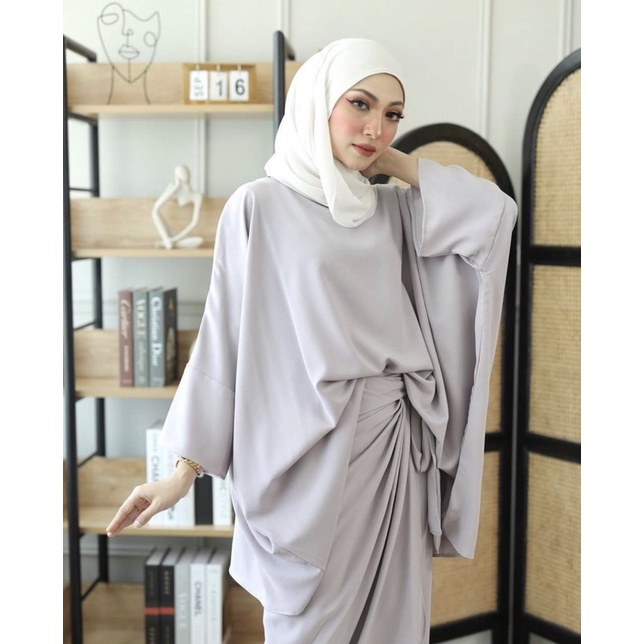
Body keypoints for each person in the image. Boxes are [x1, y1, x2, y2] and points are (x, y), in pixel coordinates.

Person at [106, 38, 517, 643]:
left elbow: (494, 215)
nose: (376, 126)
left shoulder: (393, 210)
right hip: (303, 464)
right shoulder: (258, 206)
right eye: (360, 104)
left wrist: (394, 162)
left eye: (393, 114)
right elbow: (223, 340)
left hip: (391, 452)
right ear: (319, 101)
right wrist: (180, 474)